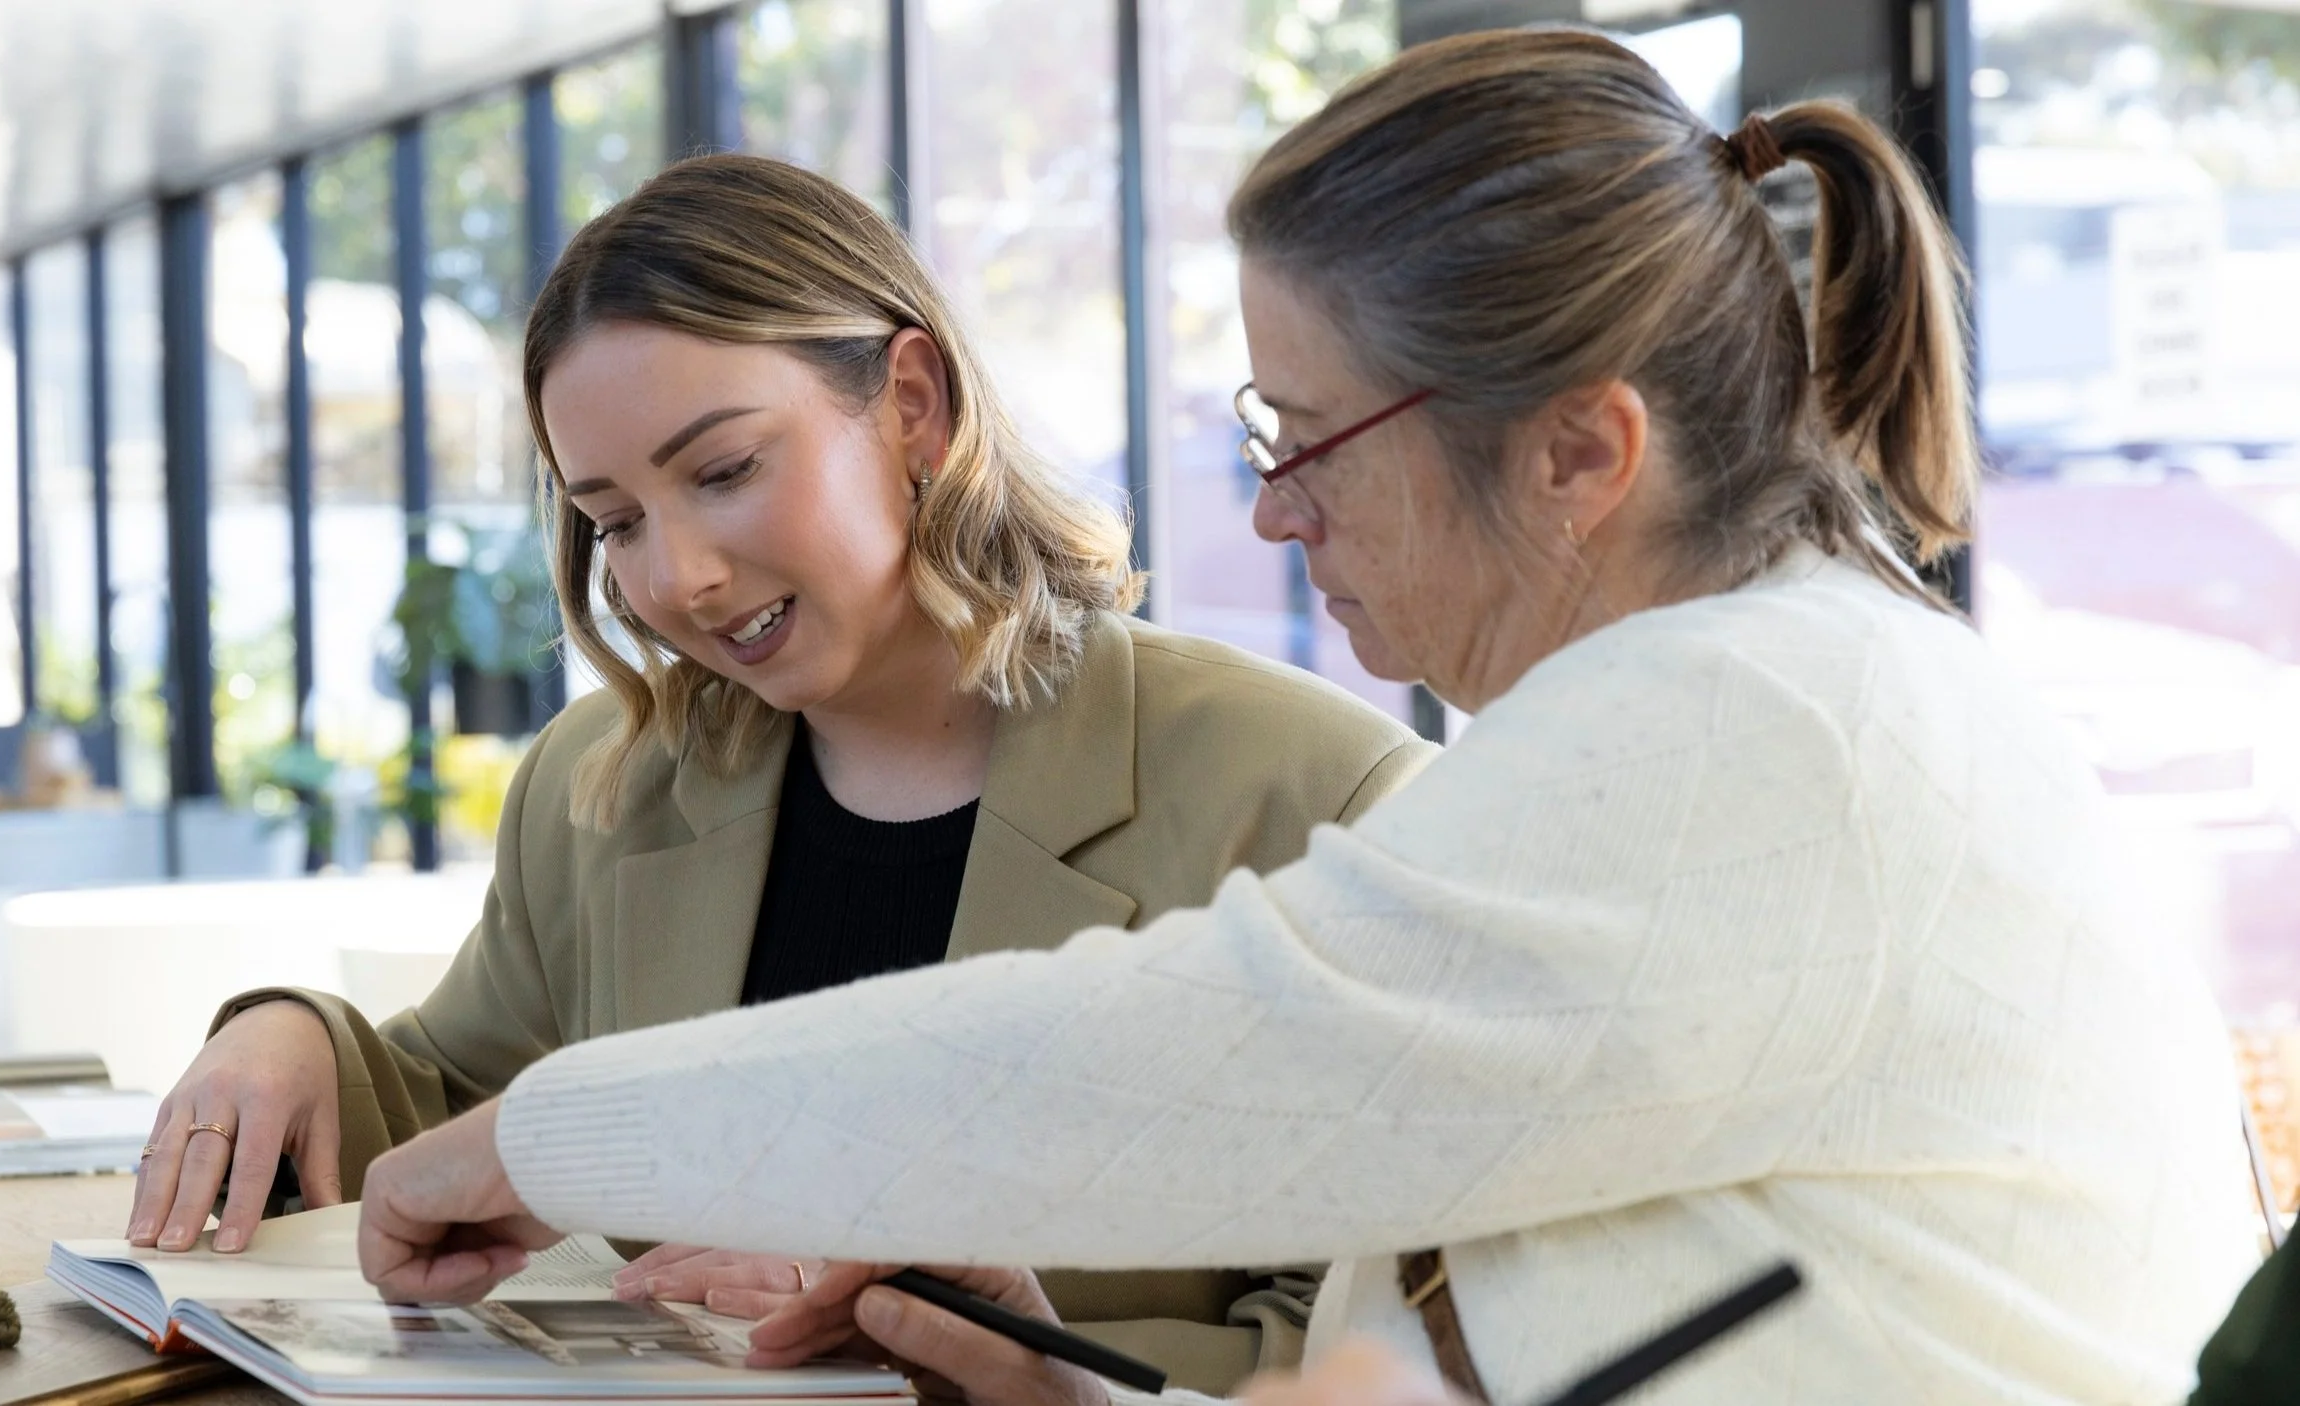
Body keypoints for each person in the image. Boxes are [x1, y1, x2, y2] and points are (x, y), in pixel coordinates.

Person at [352, 29, 2265, 1406]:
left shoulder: (1764, 735)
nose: (1274, 513)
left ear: (1580, 451)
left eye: (1312, 439)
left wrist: (549, 1137)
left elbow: (1173, 1062)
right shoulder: (1748, 698)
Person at [126, 154, 1438, 1395]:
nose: (676, 576)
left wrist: (944, 1329)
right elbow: (459, 1104)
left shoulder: (1313, 794)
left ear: (911, 404)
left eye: (725, 470)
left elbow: (1375, 1340)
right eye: (617, 520)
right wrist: (286, 1030)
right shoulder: (606, 782)